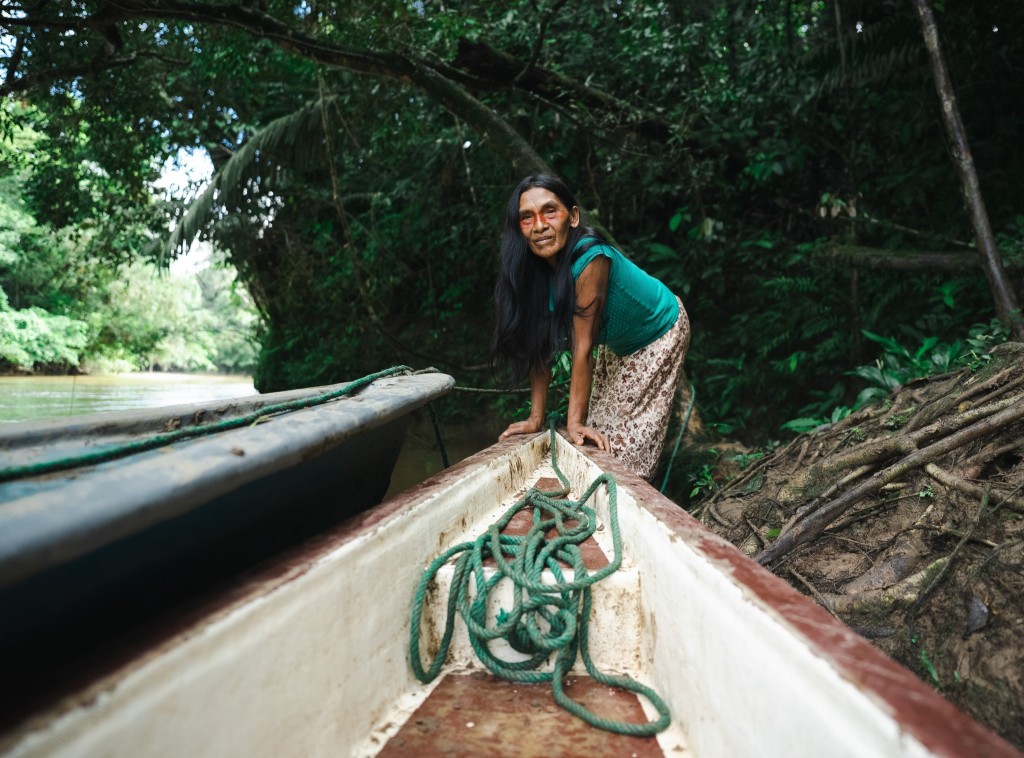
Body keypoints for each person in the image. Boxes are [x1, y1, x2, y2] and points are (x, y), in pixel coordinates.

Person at [492, 174, 690, 481]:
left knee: (622, 450)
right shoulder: (535, 268)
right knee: (596, 431)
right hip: (617, 341)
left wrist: (574, 423)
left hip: (659, 331)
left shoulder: (590, 258)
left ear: (572, 217)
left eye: (550, 212)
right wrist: (535, 418)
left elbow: (582, 347)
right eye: (527, 218)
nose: (540, 225)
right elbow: (539, 346)